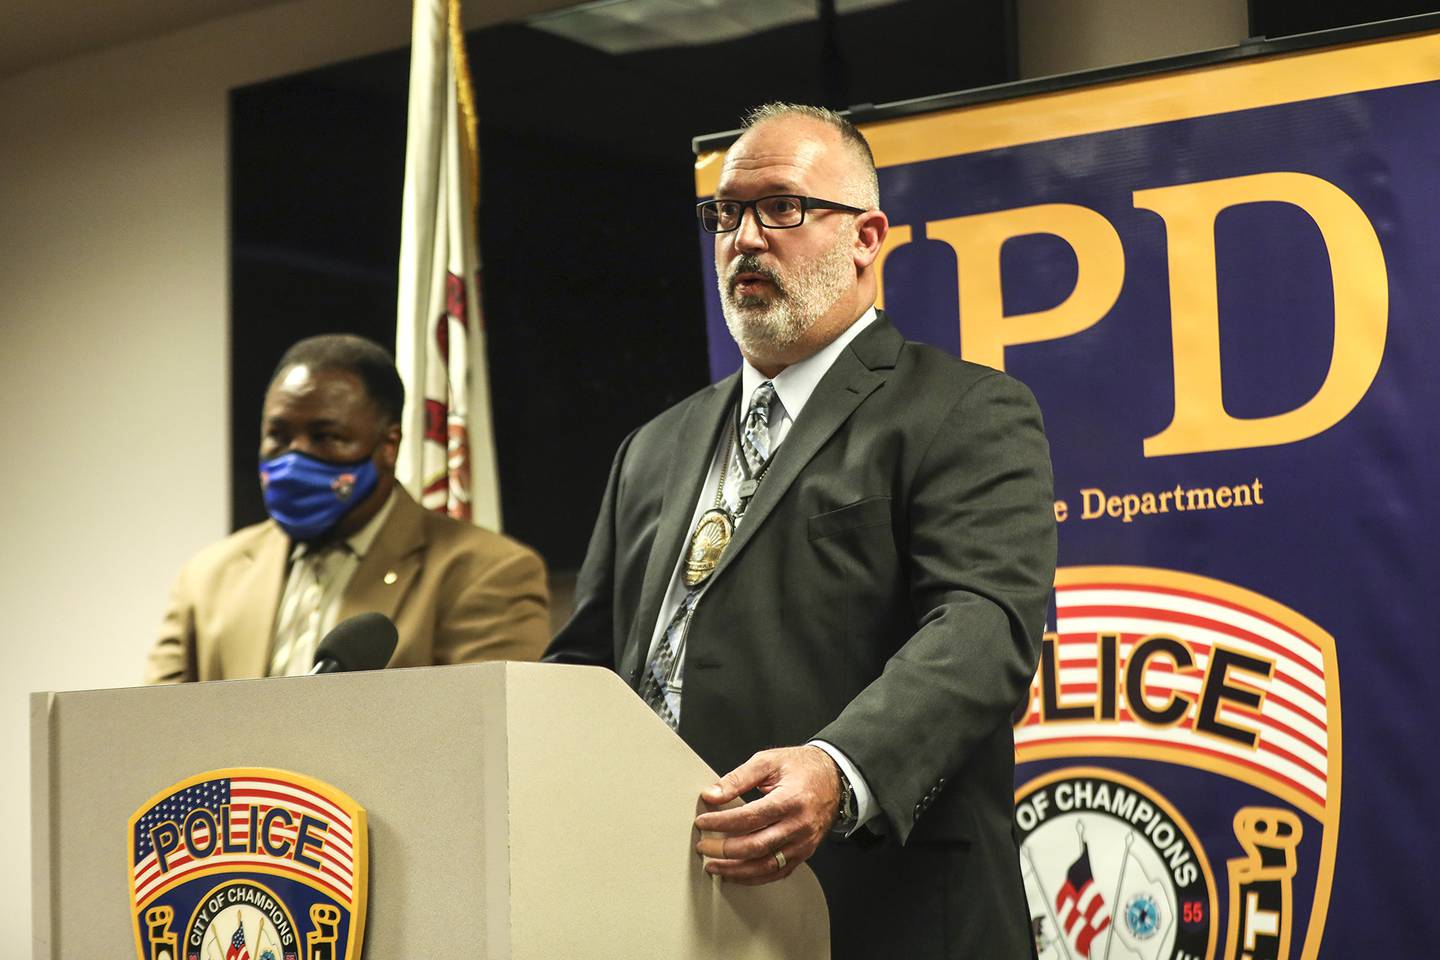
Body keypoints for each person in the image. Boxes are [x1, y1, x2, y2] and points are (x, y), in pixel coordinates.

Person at [544, 103, 1056, 958]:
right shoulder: (653, 448)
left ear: (866, 237)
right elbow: (588, 662)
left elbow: (983, 627)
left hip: (874, 909)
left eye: (782, 207)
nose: (745, 238)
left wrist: (838, 767)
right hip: (661, 912)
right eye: (726, 213)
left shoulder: (963, 409)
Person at [145, 334, 548, 683]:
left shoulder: (486, 572)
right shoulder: (208, 577)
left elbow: (487, 740)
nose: (294, 457)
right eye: (278, 436)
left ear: (388, 446)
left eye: (326, 436)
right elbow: (153, 731)